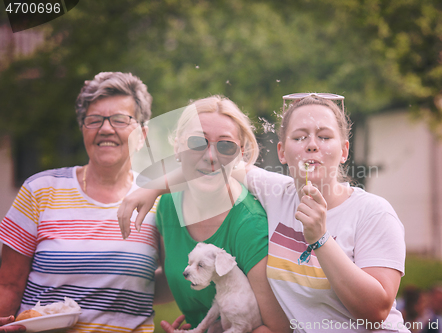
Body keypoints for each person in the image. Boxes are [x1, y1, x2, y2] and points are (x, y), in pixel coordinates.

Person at [119, 93, 409, 332]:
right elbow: (212, 163)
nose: (311, 145)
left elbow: (377, 311)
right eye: (299, 137)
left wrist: (320, 238)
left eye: (324, 136)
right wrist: (152, 187)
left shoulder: (373, 213)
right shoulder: (275, 192)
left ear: (344, 150)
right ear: (282, 152)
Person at [0, 72, 160, 333]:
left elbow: (179, 274)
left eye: (120, 120)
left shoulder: (158, 199)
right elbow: (8, 284)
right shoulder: (40, 190)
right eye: (94, 120)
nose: (106, 129)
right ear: (83, 129)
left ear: (142, 135)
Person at [119, 96, 290, 333]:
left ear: (239, 154)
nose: (211, 156)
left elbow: (278, 329)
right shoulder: (168, 204)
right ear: (178, 148)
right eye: (198, 142)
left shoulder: (250, 226)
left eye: (226, 145)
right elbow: (176, 277)